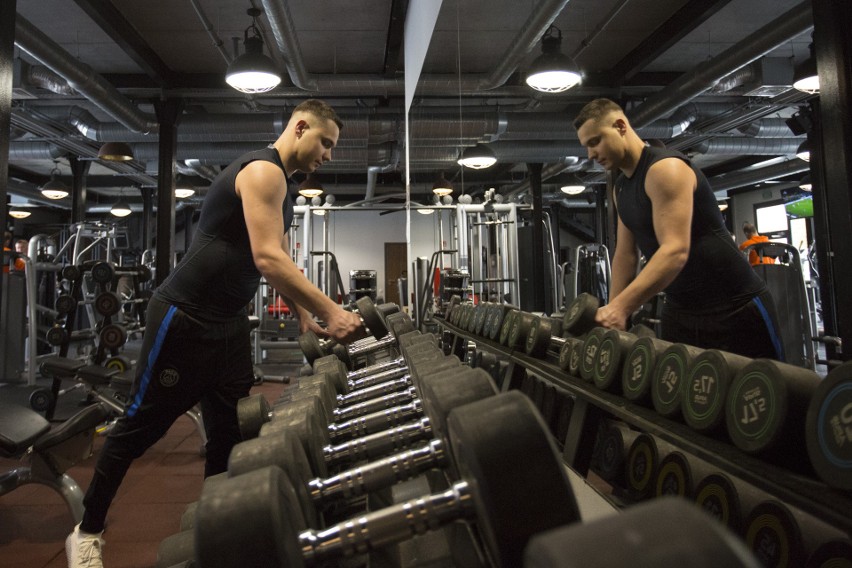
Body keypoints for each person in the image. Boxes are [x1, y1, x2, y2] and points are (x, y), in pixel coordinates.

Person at [66, 99, 367, 568]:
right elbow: (268, 257)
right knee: (138, 429)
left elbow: (277, 259)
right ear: (301, 127)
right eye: (325, 143)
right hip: (183, 316)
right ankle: (88, 530)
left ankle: (215, 530)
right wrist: (331, 310)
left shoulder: (283, 186)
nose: (328, 154)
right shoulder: (263, 173)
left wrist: (305, 315)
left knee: (229, 435)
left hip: (227, 327)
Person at [573, 98, 784, 361]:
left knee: (763, 395)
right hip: (680, 310)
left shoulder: (665, 169)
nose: (591, 154)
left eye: (595, 141)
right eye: (586, 147)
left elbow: (675, 251)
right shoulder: (621, 188)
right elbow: (625, 255)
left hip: (734, 307)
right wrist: (617, 316)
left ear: (620, 126)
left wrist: (620, 306)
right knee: (681, 398)